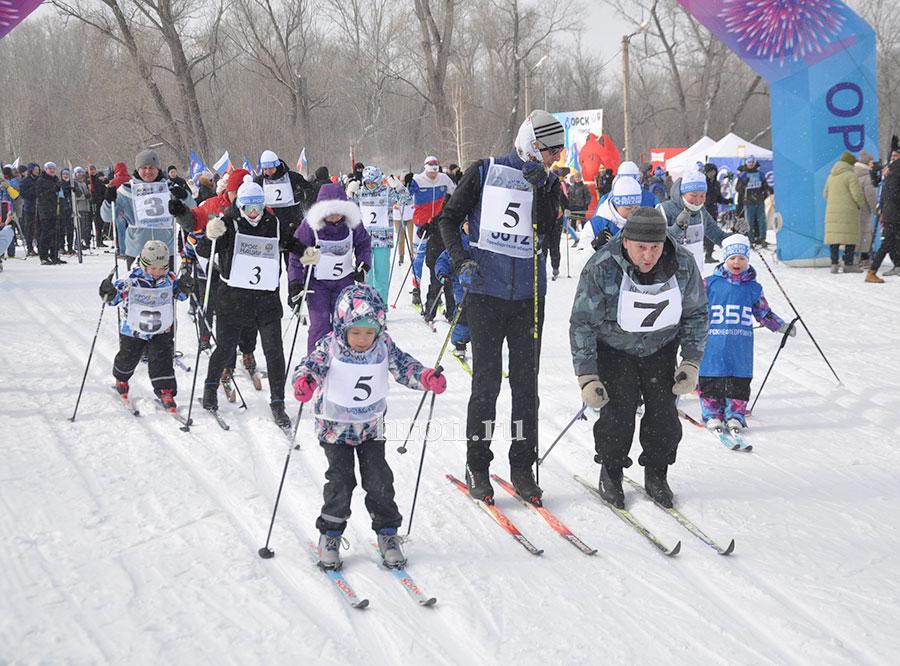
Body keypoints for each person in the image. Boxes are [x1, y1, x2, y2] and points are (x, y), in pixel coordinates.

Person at [439, 109, 563, 505]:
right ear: (532, 145)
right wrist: (460, 260)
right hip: (485, 295)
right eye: (551, 151)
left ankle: (523, 467)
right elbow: (448, 219)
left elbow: (550, 231)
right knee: (486, 384)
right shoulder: (484, 170)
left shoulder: (549, 181)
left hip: (529, 298)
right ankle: (477, 465)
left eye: (559, 152)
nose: (555, 158)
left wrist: (542, 190)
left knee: (526, 388)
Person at [292, 282, 445, 569]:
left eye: (369, 332)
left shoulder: (383, 346)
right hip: (335, 429)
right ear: (342, 327)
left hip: (371, 428)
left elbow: (404, 367)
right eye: (356, 332)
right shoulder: (330, 346)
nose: (363, 339)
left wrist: (425, 378)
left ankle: (388, 534)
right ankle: (330, 536)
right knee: (341, 482)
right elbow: (309, 366)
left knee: (379, 480)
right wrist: (304, 382)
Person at [569, 207, 709, 509]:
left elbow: (697, 313)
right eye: (641, 248)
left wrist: (691, 361)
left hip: (660, 348)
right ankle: (611, 471)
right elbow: (582, 322)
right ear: (625, 242)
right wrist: (587, 376)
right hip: (615, 349)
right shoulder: (602, 265)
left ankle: (657, 472)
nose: (648, 256)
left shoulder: (682, 263)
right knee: (617, 415)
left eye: (655, 248)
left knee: (664, 416)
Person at [198, 176, 311, 426]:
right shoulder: (228, 223)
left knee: (274, 351)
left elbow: (288, 242)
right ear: (239, 206)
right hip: (233, 298)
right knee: (225, 347)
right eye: (248, 207)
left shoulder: (273, 222)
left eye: (258, 206)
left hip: (266, 299)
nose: (253, 212)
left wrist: (306, 252)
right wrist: (210, 235)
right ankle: (210, 389)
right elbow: (204, 250)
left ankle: (278, 402)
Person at [698, 234, 793, 432]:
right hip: (713, 343)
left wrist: (780, 326)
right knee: (712, 377)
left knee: (739, 380)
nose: (736, 262)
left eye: (741, 258)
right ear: (725, 259)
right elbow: (694, 307)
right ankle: (712, 413)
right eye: (732, 258)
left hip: (740, 345)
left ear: (747, 260)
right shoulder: (710, 284)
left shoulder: (753, 288)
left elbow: (762, 312)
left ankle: (735, 415)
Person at [98, 239, 191, 409]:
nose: (157, 273)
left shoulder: (169, 279)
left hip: (162, 328)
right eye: (153, 268)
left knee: (162, 359)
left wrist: (185, 287)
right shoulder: (131, 279)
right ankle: (121, 378)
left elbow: (180, 295)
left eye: (162, 268)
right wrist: (108, 293)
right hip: (134, 329)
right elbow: (114, 298)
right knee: (128, 357)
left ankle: (165, 391)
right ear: (143, 264)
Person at [288, 183, 371, 354]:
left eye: (338, 212)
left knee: (345, 324)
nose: (334, 217)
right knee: (320, 325)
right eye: (330, 213)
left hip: (344, 282)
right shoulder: (310, 226)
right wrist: (295, 283)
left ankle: (344, 360)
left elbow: (364, 244)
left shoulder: (352, 224)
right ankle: (316, 361)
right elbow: (296, 254)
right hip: (317, 284)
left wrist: (363, 265)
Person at [101, 149, 195, 270]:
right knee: (138, 282)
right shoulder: (126, 189)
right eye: (144, 168)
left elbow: (193, 208)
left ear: (158, 169)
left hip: (165, 249)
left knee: (165, 282)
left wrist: (184, 196)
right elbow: (107, 217)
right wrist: (109, 201)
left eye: (151, 167)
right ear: (137, 169)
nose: (148, 171)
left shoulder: (169, 188)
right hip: (137, 249)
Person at [346, 165, 410, 303]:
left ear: (379, 181)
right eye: (368, 183)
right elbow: (347, 208)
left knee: (381, 275)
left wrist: (399, 187)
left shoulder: (387, 192)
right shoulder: (360, 193)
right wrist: (349, 192)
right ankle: (365, 303)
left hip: (383, 240)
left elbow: (407, 200)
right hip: (364, 242)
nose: (371, 186)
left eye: (374, 183)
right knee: (365, 274)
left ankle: (381, 304)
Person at [406, 156, 456, 307]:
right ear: (425, 169)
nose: (433, 175)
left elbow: (455, 193)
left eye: (435, 172)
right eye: (430, 172)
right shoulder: (418, 179)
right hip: (421, 225)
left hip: (438, 226)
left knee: (437, 258)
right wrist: (406, 184)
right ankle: (416, 289)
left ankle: (436, 290)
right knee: (418, 257)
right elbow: (404, 197)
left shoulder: (444, 179)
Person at [659, 169, 729, 270]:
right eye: (694, 195)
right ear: (682, 193)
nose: (698, 200)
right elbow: (657, 241)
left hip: (694, 272)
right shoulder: (664, 209)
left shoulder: (701, 212)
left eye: (702, 195)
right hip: (670, 272)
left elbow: (718, 236)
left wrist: (738, 234)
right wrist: (677, 227)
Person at [435, 220, 472, 360]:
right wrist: (442, 273)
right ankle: (460, 344)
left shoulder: (482, 242)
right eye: (467, 224)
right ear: (462, 225)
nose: (470, 227)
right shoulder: (458, 242)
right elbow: (443, 260)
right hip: (461, 285)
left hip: (482, 286)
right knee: (462, 313)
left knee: (483, 316)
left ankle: (482, 345)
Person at [823, 151, 864, 274]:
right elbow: (857, 195)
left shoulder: (831, 176)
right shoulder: (851, 176)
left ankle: (834, 264)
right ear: (851, 164)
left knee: (834, 239)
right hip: (848, 211)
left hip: (832, 211)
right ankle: (848, 264)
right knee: (850, 238)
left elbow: (825, 194)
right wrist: (860, 204)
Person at [867, 145, 900, 282]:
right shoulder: (891, 171)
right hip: (892, 213)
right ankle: (872, 272)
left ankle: (895, 265)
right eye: (892, 156)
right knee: (888, 243)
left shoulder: (892, 170)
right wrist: (874, 171)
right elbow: (877, 183)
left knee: (891, 242)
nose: (894, 158)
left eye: (896, 156)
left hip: (889, 212)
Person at [584, 176, 643, 251]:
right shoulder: (596, 225)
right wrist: (593, 247)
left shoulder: (644, 223)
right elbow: (579, 258)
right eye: (628, 208)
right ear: (616, 205)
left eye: (637, 208)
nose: (633, 212)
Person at [734, 155, 770, 246]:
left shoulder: (760, 174)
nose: (751, 164)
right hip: (749, 202)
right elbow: (738, 189)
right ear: (746, 163)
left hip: (759, 201)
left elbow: (765, 186)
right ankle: (751, 239)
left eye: (752, 162)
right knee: (749, 222)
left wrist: (765, 192)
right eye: (749, 162)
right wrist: (743, 183)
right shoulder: (743, 175)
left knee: (762, 221)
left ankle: (762, 238)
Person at [703, 162, 731, 263]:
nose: (713, 174)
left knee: (712, 233)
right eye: (710, 172)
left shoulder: (716, 184)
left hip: (713, 211)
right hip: (703, 211)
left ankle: (709, 254)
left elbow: (718, 198)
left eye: (714, 172)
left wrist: (727, 201)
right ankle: (704, 250)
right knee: (703, 233)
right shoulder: (703, 183)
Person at [854, 151, 879, 269]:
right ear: (866, 163)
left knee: (856, 234)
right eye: (871, 162)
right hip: (864, 210)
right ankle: (865, 259)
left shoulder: (853, 174)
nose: (873, 165)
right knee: (866, 234)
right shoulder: (867, 177)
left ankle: (851, 257)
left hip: (854, 210)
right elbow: (871, 197)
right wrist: (876, 211)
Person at [36, 162, 63, 265]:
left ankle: (54, 255)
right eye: (50, 168)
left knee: (56, 234)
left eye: (53, 168)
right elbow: (41, 195)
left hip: (55, 210)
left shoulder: (55, 179)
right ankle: (43, 256)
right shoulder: (41, 180)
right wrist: (53, 190)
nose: (52, 170)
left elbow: (60, 193)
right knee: (46, 234)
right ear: (45, 169)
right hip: (45, 211)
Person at [19, 163, 39, 256]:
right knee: (29, 228)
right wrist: (33, 189)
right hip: (29, 207)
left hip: (39, 207)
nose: (37, 171)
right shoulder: (25, 180)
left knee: (39, 228)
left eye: (38, 170)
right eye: (35, 170)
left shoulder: (39, 179)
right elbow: (23, 193)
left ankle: (40, 247)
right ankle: (30, 248)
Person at [72, 167, 94, 250]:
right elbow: (75, 196)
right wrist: (84, 196)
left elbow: (87, 193)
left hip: (85, 206)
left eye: (81, 172)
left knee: (85, 227)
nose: (80, 174)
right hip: (79, 207)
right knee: (80, 226)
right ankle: (77, 243)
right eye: (78, 173)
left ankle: (81, 242)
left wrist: (90, 195)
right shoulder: (74, 183)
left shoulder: (83, 183)